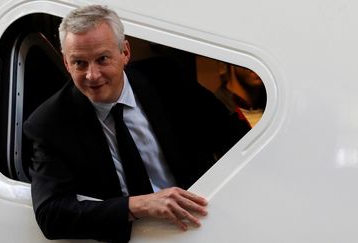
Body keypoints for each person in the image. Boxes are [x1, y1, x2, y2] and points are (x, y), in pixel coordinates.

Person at [23, 5, 249, 242]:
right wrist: (138, 205)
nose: (92, 75)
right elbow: (51, 216)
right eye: (79, 63)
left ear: (125, 52)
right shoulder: (48, 123)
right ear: (67, 64)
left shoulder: (167, 80)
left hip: (202, 225)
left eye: (102, 59)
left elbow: (233, 138)